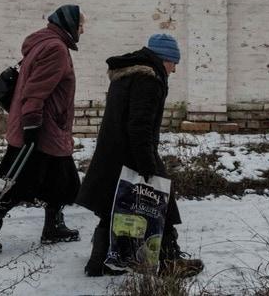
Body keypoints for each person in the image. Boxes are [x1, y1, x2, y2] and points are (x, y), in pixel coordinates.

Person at [75, 33, 204, 278]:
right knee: (161, 202)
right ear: (163, 59)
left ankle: (98, 261)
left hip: (113, 153)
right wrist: (148, 165)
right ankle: (169, 261)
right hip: (134, 152)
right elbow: (139, 126)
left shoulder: (127, 74)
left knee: (112, 206)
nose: (174, 69)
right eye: (173, 62)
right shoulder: (149, 79)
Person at [0, 4, 85, 252]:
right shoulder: (55, 48)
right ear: (69, 24)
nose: (82, 30)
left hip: (47, 128)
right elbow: (35, 92)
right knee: (19, 183)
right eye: (80, 26)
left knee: (63, 180)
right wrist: (33, 126)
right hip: (41, 130)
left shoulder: (43, 42)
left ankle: (53, 227)